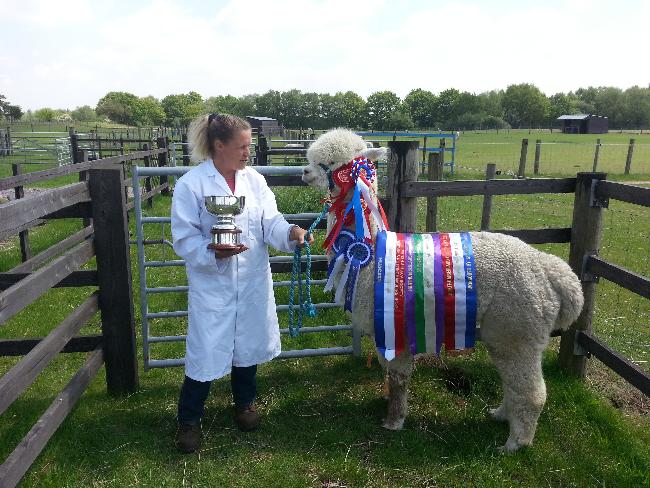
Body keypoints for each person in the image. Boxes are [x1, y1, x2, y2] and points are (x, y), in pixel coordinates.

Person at [170, 113, 313, 453]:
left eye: (249, 146)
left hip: (250, 279)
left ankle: (244, 404)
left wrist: (290, 233)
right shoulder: (192, 184)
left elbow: (270, 222)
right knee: (205, 350)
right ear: (219, 146)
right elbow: (183, 236)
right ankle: (189, 420)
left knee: (247, 346)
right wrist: (212, 252)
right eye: (243, 146)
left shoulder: (255, 182)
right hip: (212, 284)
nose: (248, 152)